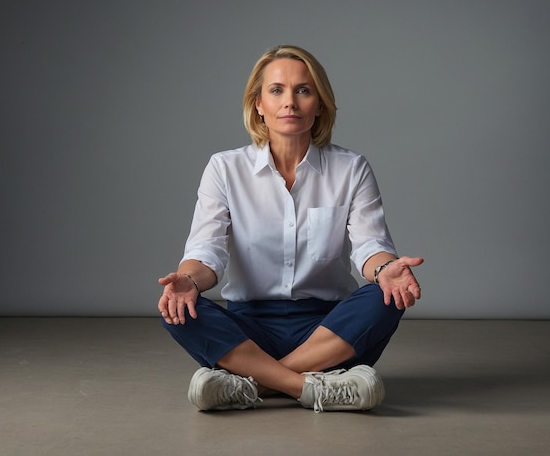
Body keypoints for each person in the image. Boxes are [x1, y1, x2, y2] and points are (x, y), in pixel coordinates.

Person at [158, 45, 423, 413]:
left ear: (320, 104)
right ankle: (316, 387)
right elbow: (207, 251)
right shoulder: (224, 168)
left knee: (385, 296)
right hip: (249, 328)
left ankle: (250, 385)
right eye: (277, 90)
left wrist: (384, 271)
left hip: (329, 329)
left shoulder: (351, 169)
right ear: (258, 105)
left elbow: (369, 244)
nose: (290, 102)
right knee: (179, 308)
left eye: (303, 90)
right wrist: (188, 279)